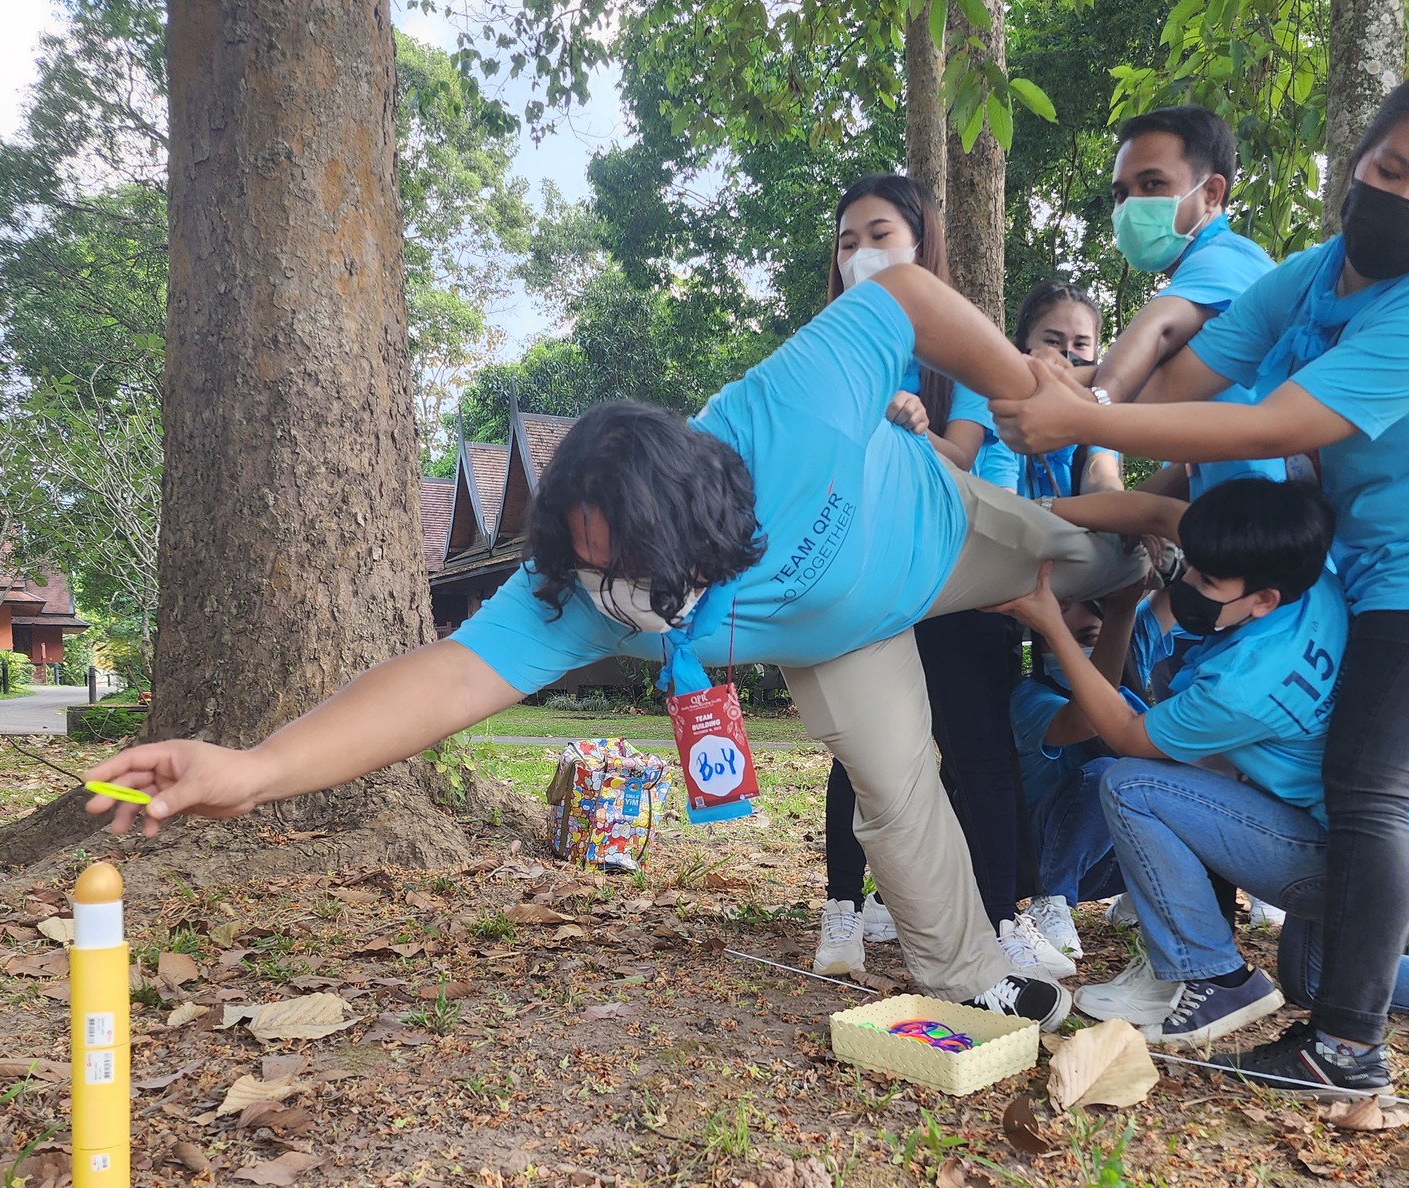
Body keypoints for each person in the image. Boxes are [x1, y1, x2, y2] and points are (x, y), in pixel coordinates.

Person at [84, 259, 1145, 1032]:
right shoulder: (577, 596)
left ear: (707, 514)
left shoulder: (785, 410)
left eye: (646, 571)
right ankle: (968, 979)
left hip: (936, 531)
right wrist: (259, 768)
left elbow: (902, 295)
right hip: (843, 643)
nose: (627, 599)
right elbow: (444, 679)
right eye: (601, 575)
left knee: (1086, 557)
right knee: (895, 787)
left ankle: (1166, 545)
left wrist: (1016, 381)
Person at [993, 62, 1409, 1095]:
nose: (1401, 198)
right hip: (1379, 552)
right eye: (1389, 168)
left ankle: (1345, 1046)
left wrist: (1084, 419)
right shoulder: (1312, 272)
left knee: (1368, 789)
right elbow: (1200, 373)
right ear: (1358, 159)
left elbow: (1276, 423)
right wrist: (1086, 392)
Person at [991, 478, 1409, 1053]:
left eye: (1207, 580)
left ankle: (1214, 977)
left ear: (1263, 599)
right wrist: (1042, 511)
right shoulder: (1313, 582)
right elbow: (1161, 512)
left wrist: (1049, 622)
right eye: (1193, 568)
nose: (1189, 585)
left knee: (1131, 785)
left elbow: (1122, 734)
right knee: (1318, 982)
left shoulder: (1241, 685)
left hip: (1348, 854)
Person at [811, 175, 1068, 986]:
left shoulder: (962, 345)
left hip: (958, 577)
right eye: (847, 242)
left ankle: (997, 923)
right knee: (861, 753)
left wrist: (913, 431)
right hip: (867, 580)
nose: (861, 255)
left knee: (981, 753)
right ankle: (843, 912)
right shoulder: (828, 351)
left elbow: (961, 458)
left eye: (880, 236)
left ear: (922, 244)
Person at [1089, 106, 1285, 497]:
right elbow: (1200, 459)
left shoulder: (1226, 259)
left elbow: (1159, 328)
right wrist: (1132, 516)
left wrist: (1091, 408)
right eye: (1121, 194)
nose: (1129, 207)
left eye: (1152, 184)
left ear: (1211, 194)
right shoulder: (1211, 270)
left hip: (1267, 522)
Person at [1009, 590, 1142, 961]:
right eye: (1056, 641)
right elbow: (1085, 721)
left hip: (1102, 868)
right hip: (1034, 857)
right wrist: (1120, 612)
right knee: (1105, 776)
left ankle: (1144, 895)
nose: (1070, 653)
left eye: (1086, 640)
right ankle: (1050, 901)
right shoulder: (1029, 699)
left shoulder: (1127, 696)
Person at [974, 280, 1126, 501]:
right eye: (1053, 341)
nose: (1065, 355)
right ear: (1024, 344)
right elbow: (1002, 500)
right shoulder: (996, 405)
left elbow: (1101, 477)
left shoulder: (1099, 405)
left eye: (1080, 344)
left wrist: (1121, 506)